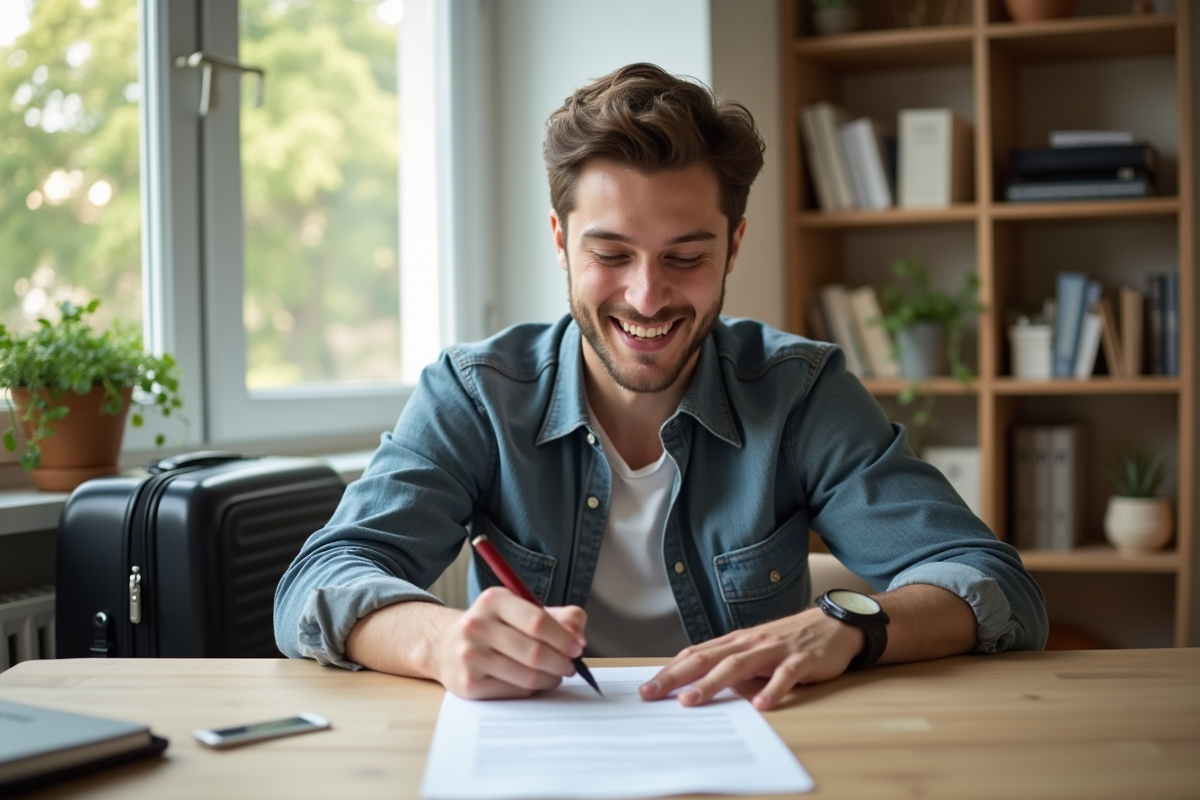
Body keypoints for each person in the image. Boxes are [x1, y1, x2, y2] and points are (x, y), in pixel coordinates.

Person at [274, 63, 1047, 711]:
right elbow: (319, 580)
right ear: (560, 241)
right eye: (610, 253)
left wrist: (849, 625)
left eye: (685, 257)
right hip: (537, 759)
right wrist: (440, 640)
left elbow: (990, 581)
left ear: (734, 246)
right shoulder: (475, 394)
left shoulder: (802, 392)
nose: (647, 298)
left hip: (755, 754)